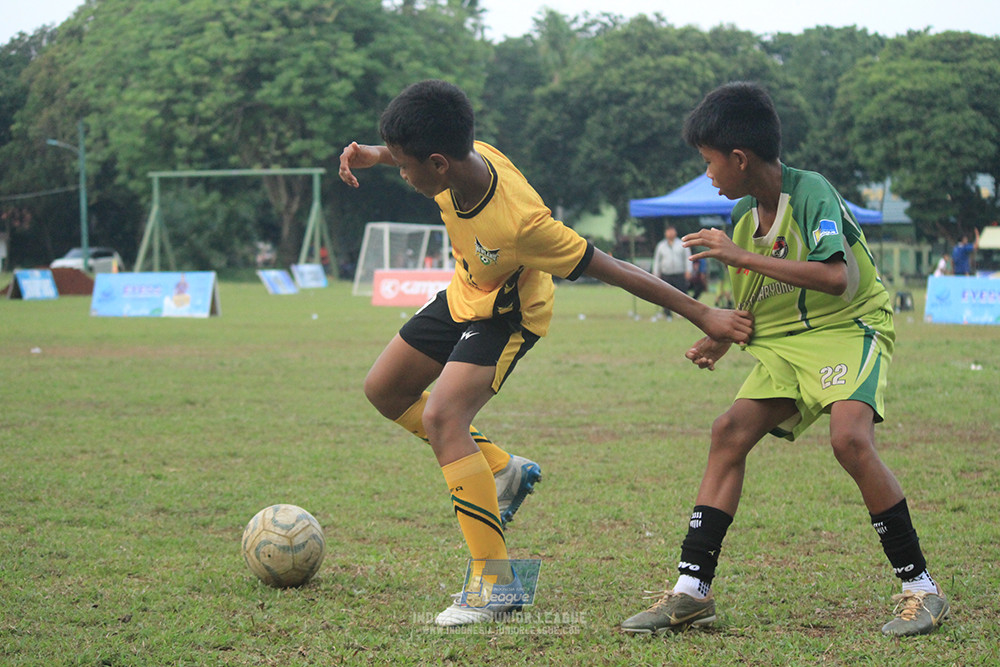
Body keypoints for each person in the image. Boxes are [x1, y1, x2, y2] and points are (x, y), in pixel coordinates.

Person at [339, 80, 753, 628]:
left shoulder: (522, 224)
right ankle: (503, 470)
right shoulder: (459, 159)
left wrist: (704, 314)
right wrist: (377, 152)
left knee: (443, 417)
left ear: (437, 164)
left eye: (405, 166)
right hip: (466, 292)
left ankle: (497, 585)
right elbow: (421, 145)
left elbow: (618, 269)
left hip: (510, 314)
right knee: (383, 389)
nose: (403, 174)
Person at [621, 82, 947, 638]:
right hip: (788, 344)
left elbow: (833, 275)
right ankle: (692, 591)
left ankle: (922, 589)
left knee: (849, 440)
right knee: (728, 432)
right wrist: (723, 336)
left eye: (709, 163)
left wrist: (737, 253)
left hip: (849, 328)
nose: (709, 175)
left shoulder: (811, 191)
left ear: (740, 158)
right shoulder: (747, 219)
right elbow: (753, 300)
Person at [650, 226, 691, 319]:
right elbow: (657, 260)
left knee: (682, 294)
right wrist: (656, 273)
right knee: (665, 294)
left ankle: (683, 312)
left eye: (672, 231)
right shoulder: (661, 245)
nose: (670, 233)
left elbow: (687, 258)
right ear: (665, 233)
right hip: (666, 273)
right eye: (668, 231)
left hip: (679, 273)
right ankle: (667, 313)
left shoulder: (682, 244)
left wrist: (689, 270)